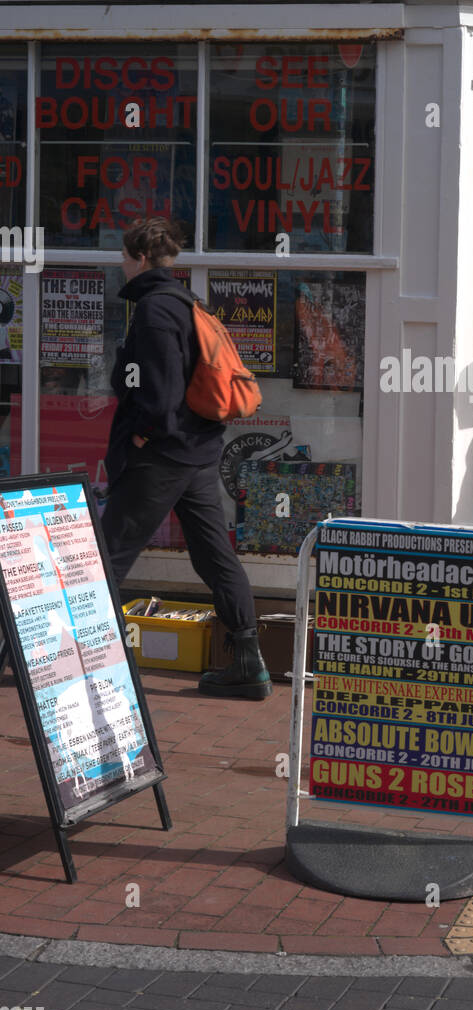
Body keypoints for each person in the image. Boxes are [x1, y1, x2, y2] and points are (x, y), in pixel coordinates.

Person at [99, 217, 272, 700]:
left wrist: (140, 441)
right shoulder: (187, 302)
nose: (120, 264)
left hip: (162, 456)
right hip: (197, 453)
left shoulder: (154, 311)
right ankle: (248, 663)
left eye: (122, 256)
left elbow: (159, 394)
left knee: (107, 558)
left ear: (138, 258)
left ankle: (82, 663)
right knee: (215, 556)